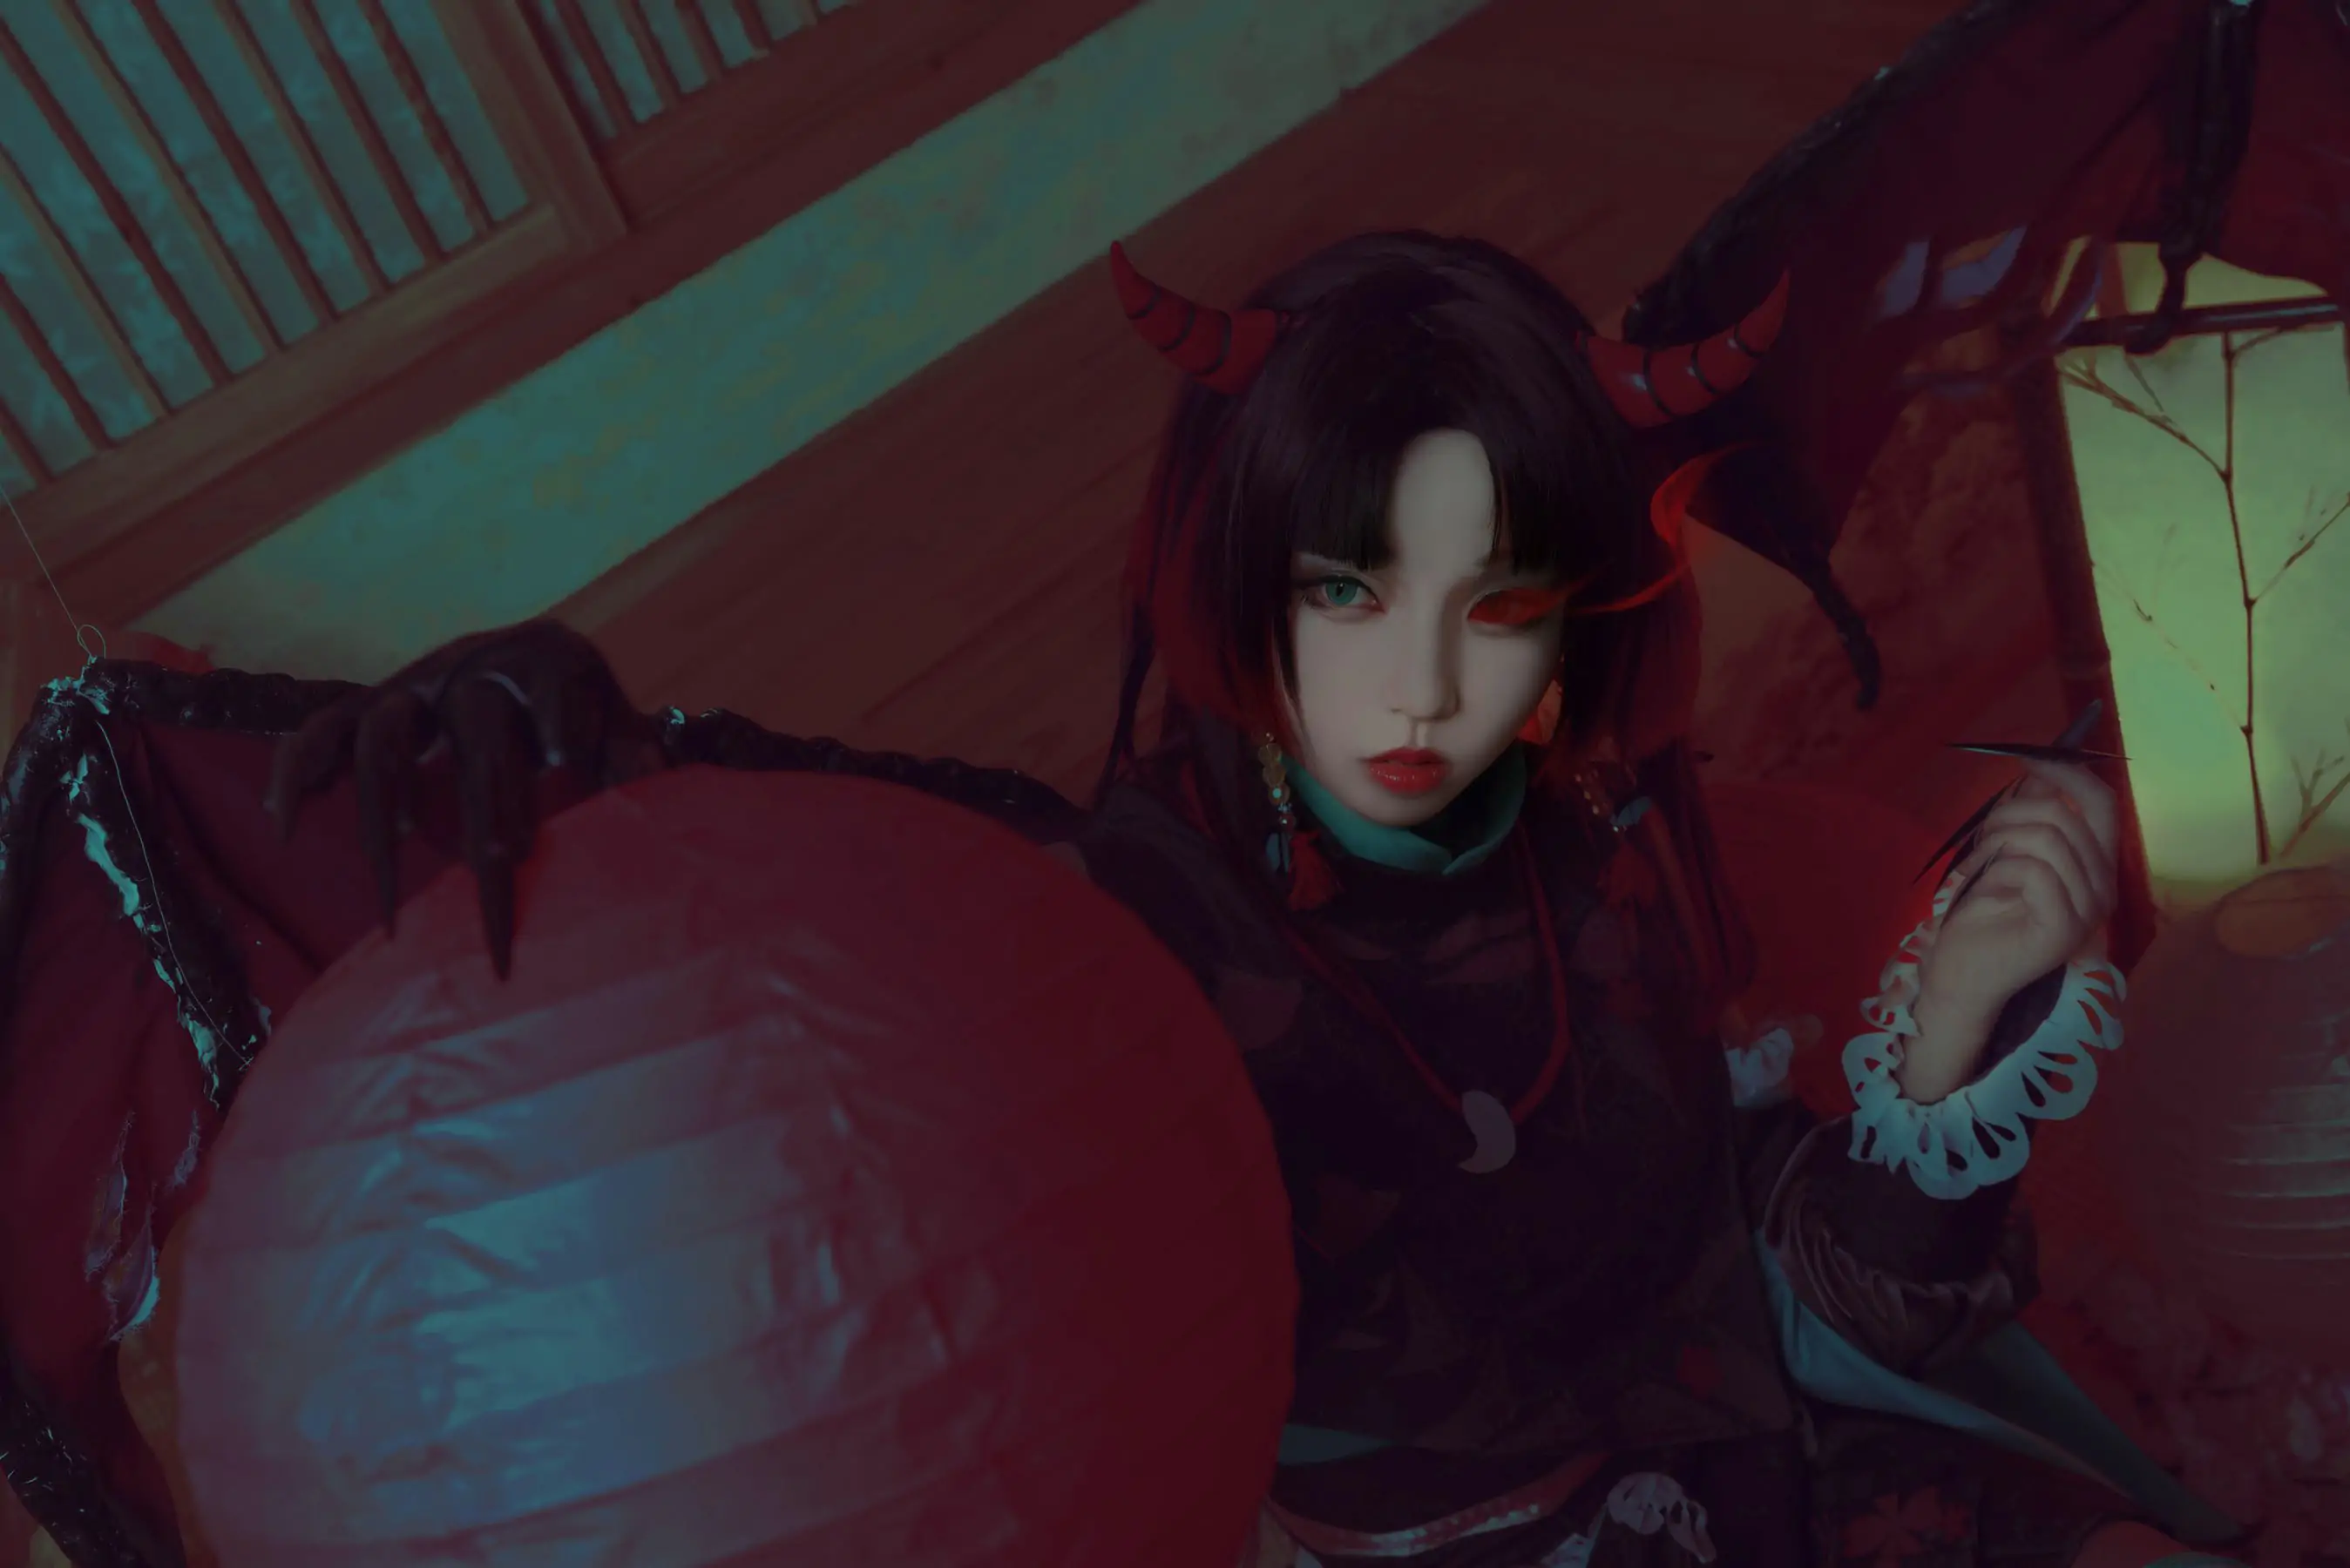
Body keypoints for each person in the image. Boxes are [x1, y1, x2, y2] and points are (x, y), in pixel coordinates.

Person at [259, 233, 2228, 1568]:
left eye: (1499, 603)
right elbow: (818, 874)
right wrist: (579, 740)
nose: (1425, 690)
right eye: (1346, 591)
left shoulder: (1596, 834)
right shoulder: (1105, 928)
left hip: (1755, 1464)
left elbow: (1768, 1274)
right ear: (1237, 575)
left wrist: (1956, 1038)